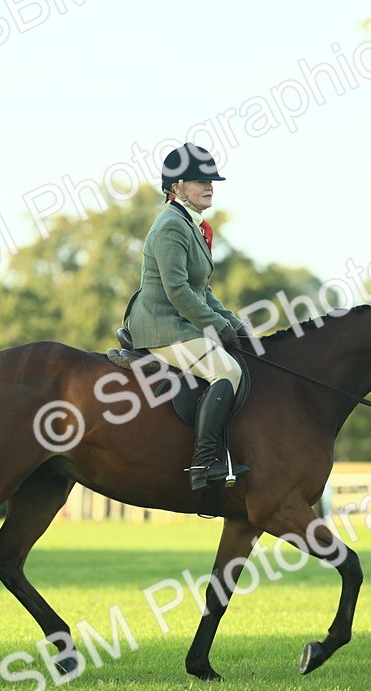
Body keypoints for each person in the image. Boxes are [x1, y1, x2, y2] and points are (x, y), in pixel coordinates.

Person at [123, 143, 251, 491]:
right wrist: (217, 326)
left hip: (179, 321)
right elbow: (178, 291)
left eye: (211, 181)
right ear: (176, 187)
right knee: (227, 370)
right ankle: (202, 464)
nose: (209, 186)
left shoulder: (192, 225)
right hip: (160, 324)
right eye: (200, 181)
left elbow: (201, 291)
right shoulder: (171, 226)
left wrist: (233, 322)